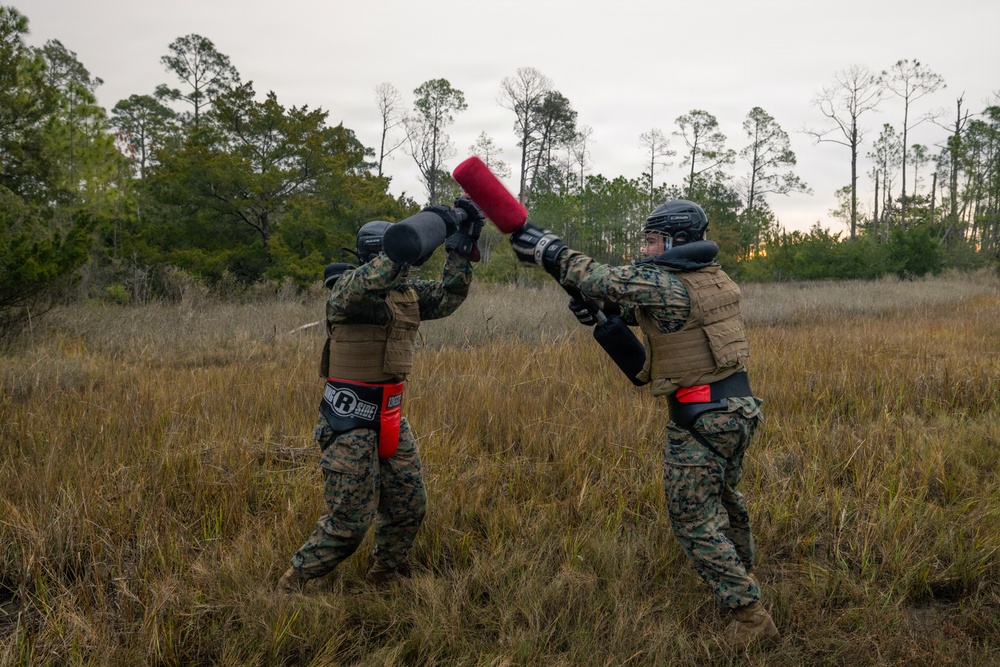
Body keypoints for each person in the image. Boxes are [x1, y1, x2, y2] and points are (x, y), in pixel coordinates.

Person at [508, 200, 779, 651]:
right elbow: (661, 314)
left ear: (673, 241)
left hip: (700, 420)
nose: (644, 247)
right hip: (738, 412)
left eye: (651, 240)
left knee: (693, 521)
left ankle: (750, 617)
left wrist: (549, 250)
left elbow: (604, 279)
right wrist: (609, 316)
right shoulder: (715, 279)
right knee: (727, 500)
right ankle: (742, 572)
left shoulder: (664, 281)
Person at [277, 197, 484, 593]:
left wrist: (459, 247)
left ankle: (383, 577)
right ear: (383, 254)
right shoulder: (347, 291)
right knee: (349, 523)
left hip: (391, 416)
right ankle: (292, 584)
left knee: (409, 506)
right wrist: (415, 235)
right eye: (402, 257)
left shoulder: (407, 293)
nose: (407, 267)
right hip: (348, 421)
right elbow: (373, 279)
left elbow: (449, 295)